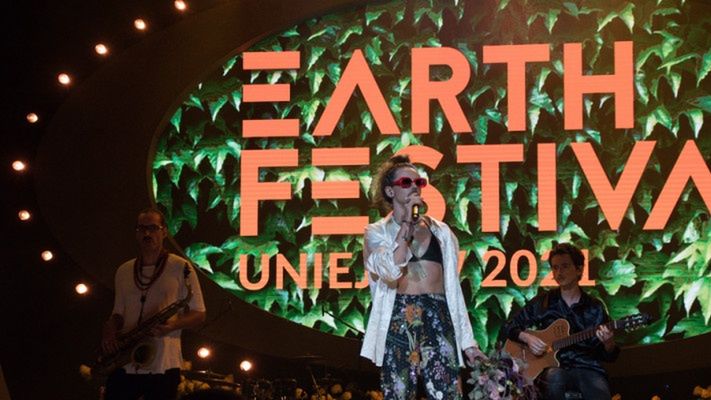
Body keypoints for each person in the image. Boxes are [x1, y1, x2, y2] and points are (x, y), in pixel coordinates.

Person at [360, 154, 485, 400]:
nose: (415, 187)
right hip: (399, 315)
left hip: (438, 313)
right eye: (406, 182)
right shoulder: (376, 232)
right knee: (398, 393)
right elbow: (389, 272)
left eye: (419, 182)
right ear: (390, 191)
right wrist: (405, 227)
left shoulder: (442, 232)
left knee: (447, 392)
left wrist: (468, 343)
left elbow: (454, 292)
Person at [101, 207, 207, 400]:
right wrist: (110, 328)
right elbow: (118, 313)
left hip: (163, 363)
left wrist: (172, 325)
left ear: (164, 231)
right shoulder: (124, 270)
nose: (147, 234)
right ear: (136, 233)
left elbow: (199, 313)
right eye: (141, 229)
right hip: (125, 361)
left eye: (152, 228)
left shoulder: (181, 267)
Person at [502, 243, 619, 400]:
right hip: (551, 369)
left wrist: (609, 343)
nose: (559, 272)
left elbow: (608, 357)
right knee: (554, 379)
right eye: (555, 268)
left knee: (598, 390)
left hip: (587, 368)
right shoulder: (543, 302)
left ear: (579, 269)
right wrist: (527, 338)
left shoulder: (594, 307)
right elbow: (508, 326)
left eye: (565, 266)